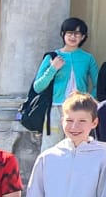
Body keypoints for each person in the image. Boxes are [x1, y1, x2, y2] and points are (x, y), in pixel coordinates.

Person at [32, 17, 98, 150]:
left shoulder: (88, 58)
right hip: (55, 109)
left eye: (77, 34)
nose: (73, 36)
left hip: (80, 109)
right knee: (51, 147)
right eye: (69, 33)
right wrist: (53, 69)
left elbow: (98, 83)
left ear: (83, 37)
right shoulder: (52, 56)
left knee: (78, 146)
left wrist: (88, 101)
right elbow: (38, 87)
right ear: (63, 34)